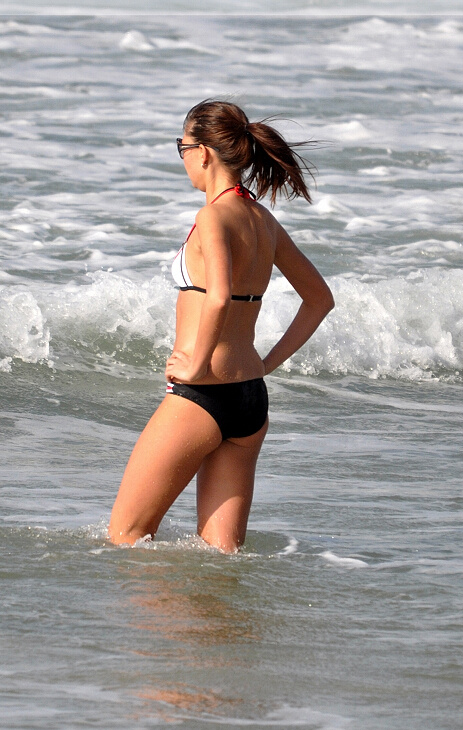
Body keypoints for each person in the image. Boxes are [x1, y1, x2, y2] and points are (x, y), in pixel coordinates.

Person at [107, 100, 335, 553]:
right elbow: (319, 299)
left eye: (182, 146)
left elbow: (218, 296)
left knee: (126, 538)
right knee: (221, 559)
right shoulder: (263, 221)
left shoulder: (212, 216)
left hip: (201, 395)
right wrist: (265, 363)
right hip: (250, 399)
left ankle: (157, 626)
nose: (183, 157)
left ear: (204, 152)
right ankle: (217, 628)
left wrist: (194, 366)